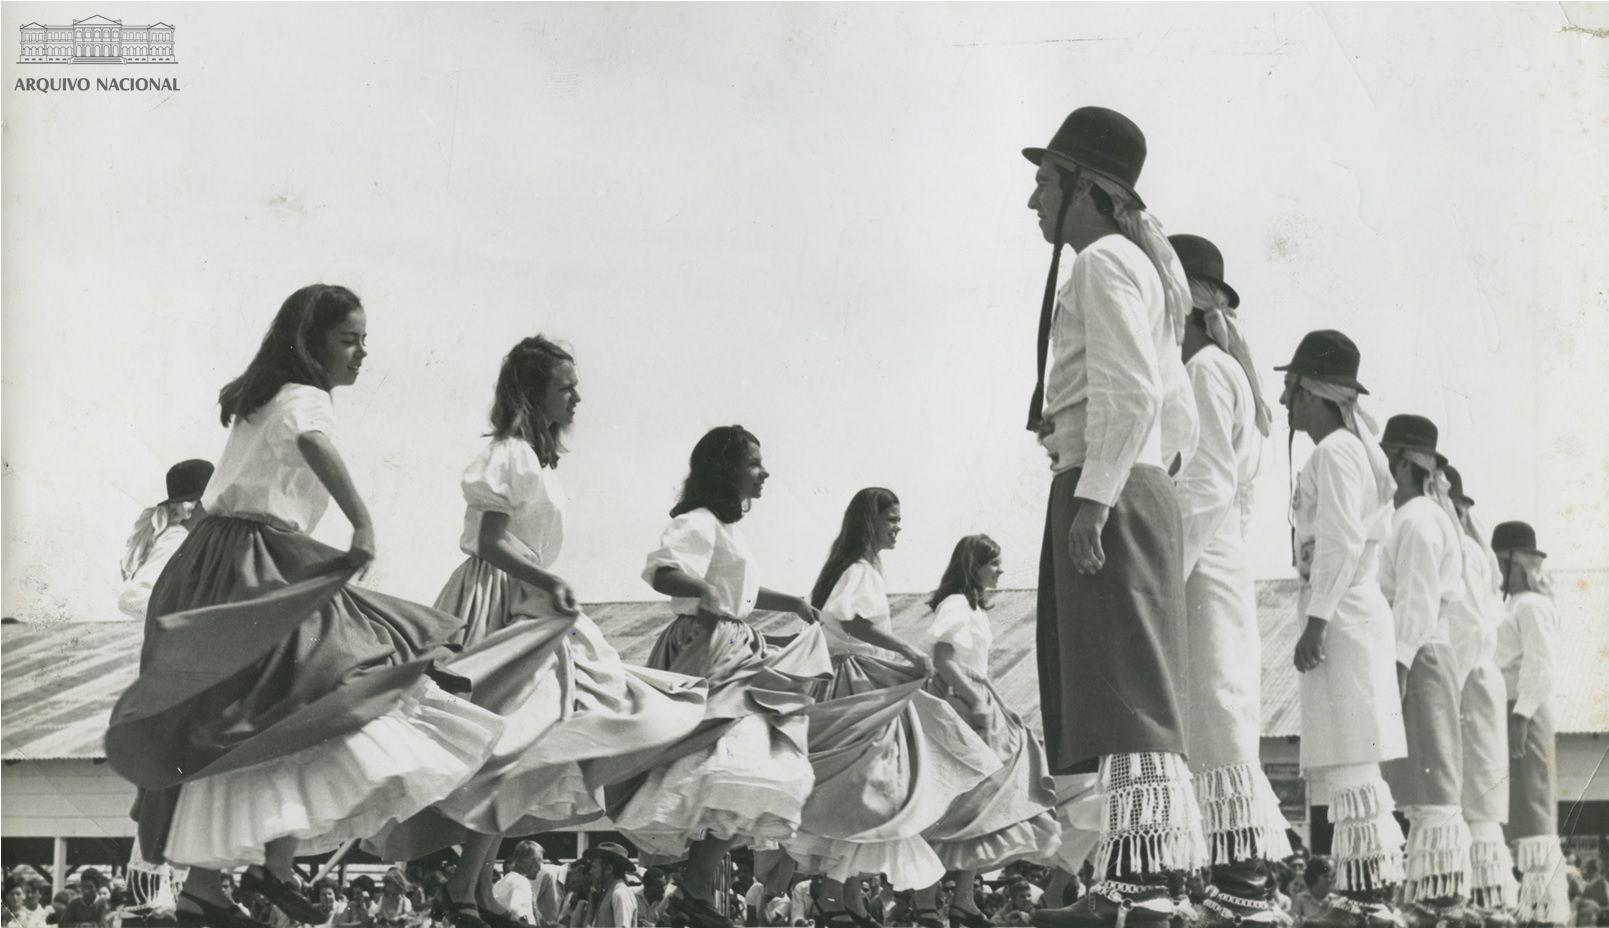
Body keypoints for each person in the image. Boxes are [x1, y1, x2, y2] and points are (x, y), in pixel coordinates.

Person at [102, 284, 505, 928]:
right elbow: (314, 442)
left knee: (252, 716)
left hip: (216, 562)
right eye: (349, 340)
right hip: (252, 560)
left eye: (364, 341)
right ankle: (265, 868)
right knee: (328, 682)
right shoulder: (304, 397)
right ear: (310, 344)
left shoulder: (260, 398)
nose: (361, 354)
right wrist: (362, 522)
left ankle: (216, 884)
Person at [369, 336, 706, 928]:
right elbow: (492, 541)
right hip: (500, 601)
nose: (576, 397)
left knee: (528, 744)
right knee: (509, 741)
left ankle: (473, 887)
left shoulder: (535, 460)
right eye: (565, 387)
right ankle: (466, 887)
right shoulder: (509, 453)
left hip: (532, 603)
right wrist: (545, 580)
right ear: (533, 391)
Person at [1020, 106, 1205, 928]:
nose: (1032, 198)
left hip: (1108, 487)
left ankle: (1137, 893)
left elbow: (1129, 393)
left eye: (1044, 180)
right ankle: (1131, 885)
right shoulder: (1140, 266)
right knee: (1116, 696)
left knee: (1122, 701)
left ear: (1082, 188)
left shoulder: (1101, 262)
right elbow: (1177, 414)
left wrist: (1095, 500)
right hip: (1134, 481)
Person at [589, 426, 833, 928]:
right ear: (726, 469)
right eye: (753, 463)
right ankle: (693, 889)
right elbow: (664, 572)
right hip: (708, 646)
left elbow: (741, 591)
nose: (763, 473)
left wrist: (791, 603)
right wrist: (704, 595)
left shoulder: (728, 529)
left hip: (737, 643)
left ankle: (695, 889)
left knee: (753, 761)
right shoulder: (698, 521)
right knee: (730, 753)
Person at [782, 489, 999, 926]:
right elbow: (851, 620)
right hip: (856, 681)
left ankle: (846, 895)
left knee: (865, 790)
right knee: (865, 789)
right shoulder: (861, 570)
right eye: (892, 520)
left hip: (852, 677)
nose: (898, 528)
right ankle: (835, 896)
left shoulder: (856, 568)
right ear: (870, 522)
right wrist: (907, 650)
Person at [1166, 234, 1291, 927]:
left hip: (1202, 560)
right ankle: (1235, 884)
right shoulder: (1219, 369)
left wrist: (1164, 572)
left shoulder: (1205, 369)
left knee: (1217, 719)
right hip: (1218, 557)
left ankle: (1244, 887)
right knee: (1214, 716)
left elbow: (1208, 484)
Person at [1276, 330, 1407, 928]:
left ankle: (1367, 899)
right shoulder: (1346, 451)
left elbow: (1340, 542)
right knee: (1349, 766)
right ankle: (1362, 895)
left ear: (1312, 392)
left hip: (1343, 616)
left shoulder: (1334, 453)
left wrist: (1317, 622)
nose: (1284, 401)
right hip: (1347, 613)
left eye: (1291, 388)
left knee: (1354, 764)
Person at [911, 535, 1061, 928]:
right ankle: (926, 900)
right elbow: (943, 658)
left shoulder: (974, 607)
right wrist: (975, 700)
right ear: (972, 565)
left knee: (985, 801)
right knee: (957, 802)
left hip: (978, 695)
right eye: (993, 563)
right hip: (961, 700)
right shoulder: (956, 604)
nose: (1000, 570)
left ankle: (963, 899)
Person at [1376, 414, 1474, 923]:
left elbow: (1415, 600)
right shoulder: (1415, 517)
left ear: (1401, 464)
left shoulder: (1416, 519)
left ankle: (1442, 900)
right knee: (1420, 783)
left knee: (1432, 785)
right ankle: (1432, 898)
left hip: (1419, 654)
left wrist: (1397, 668)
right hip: (1421, 653)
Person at [1441, 465, 1519, 921]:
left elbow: (1469, 626)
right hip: (1473, 677)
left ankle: (1478, 905)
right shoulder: (1470, 551)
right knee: (1469, 798)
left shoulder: (1465, 552)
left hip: (1467, 677)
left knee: (1470, 797)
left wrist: (1449, 688)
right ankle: (1477, 904)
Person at [1491, 521, 1568, 926]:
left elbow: (1541, 667)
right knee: (1510, 812)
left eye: (1499, 563)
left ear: (1515, 564)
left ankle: (1543, 913)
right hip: (1503, 711)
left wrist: (1521, 717)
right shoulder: (1507, 607)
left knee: (1533, 810)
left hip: (1525, 713)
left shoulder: (1532, 606)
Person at [118, 458, 214, 620]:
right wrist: (181, 623)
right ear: (190, 508)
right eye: (212, 503)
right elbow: (132, 599)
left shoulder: (182, 538)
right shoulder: (176, 540)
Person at [583, 845, 639, 928]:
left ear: (609, 869)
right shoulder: (608, 893)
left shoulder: (620, 894)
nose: (591, 871)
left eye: (594, 867)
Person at [1289, 857, 1334, 926]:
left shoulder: (1335, 900)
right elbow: (1294, 924)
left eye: (1331, 877)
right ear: (1314, 877)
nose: (1329, 880)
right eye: (1325, 877)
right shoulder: (1300, 899)